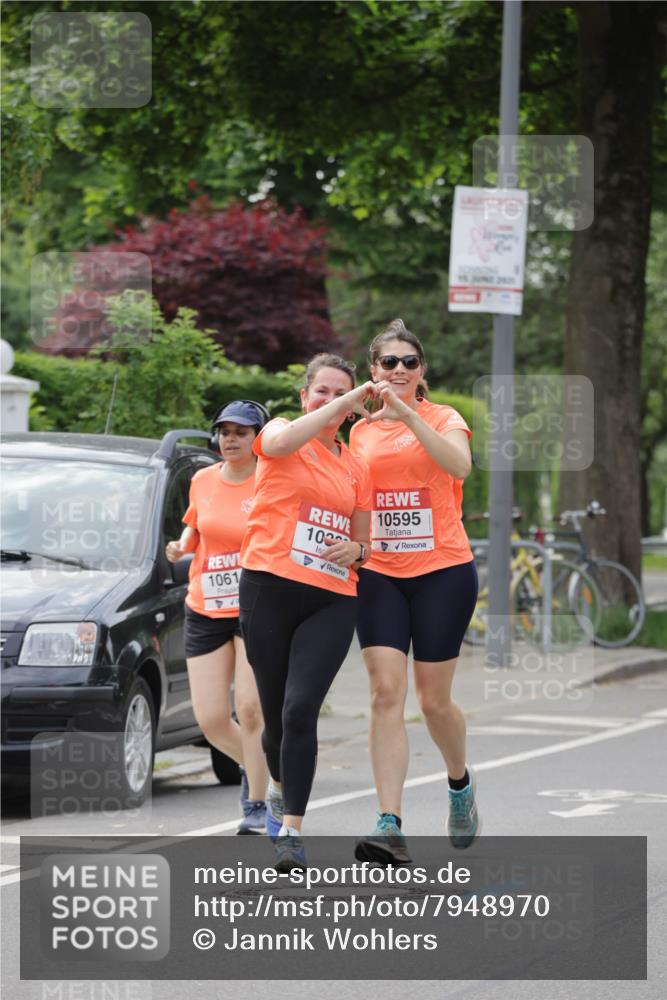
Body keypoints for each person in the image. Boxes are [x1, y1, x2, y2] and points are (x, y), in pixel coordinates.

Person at [349, 318, 479, 861]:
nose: (398, 370)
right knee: (385, 693)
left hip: (443, 570)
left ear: (421, 371)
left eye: (408, 362)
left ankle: (459, 783)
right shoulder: (358, 433)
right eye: (388, 363)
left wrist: (405, 413)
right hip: (379, 572)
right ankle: (390, 821)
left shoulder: (444, 417)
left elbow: (459, 464)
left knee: (432, 700)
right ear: (373, 371)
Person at [239, 354, 374, 872]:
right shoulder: (279, 432)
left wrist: (357, 552)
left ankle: (292, 830)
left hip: (331, 597)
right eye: (321, 392)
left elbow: (366, 541)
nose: (330, 401)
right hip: (268, 587)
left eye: (339, 394)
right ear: (305, 397)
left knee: (299, 709)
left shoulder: (355, 465)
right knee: (273, 714)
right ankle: (276, 781)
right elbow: (276, 444)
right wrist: (345, 402)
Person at [165, 401, 269, 835]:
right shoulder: (202, 478)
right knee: (209, 719)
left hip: (255, 604)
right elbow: (197, 523)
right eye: (224, 431)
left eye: (241, 432)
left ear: (258, 439)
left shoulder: (271, 480)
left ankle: (259, 804)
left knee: (249, 707)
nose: (230, 439)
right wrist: (181, 544)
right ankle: (264, 766)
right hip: (205, 604)